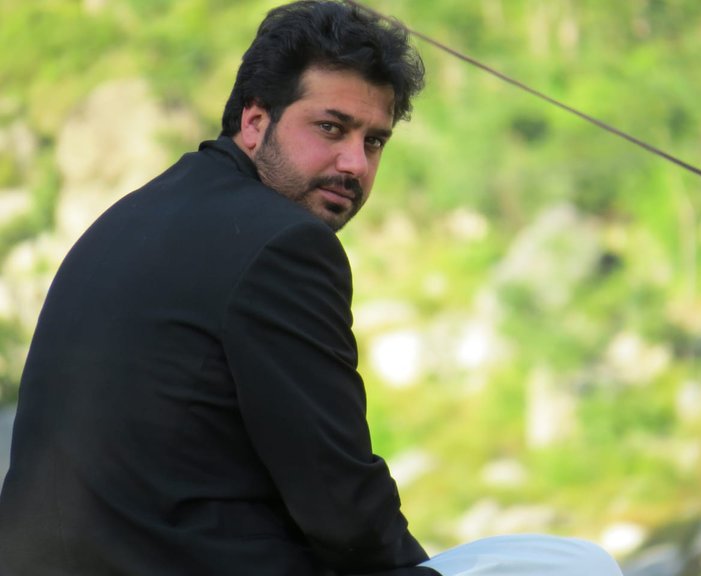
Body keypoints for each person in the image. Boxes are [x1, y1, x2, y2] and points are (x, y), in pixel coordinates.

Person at [0, 1, 623, 575]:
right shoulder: (282, 244)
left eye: (373, 141)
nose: (355, 164)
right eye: (331, 128)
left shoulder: (133, 216)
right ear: (254, 121)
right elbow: (344, 507)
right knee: (580, 566)